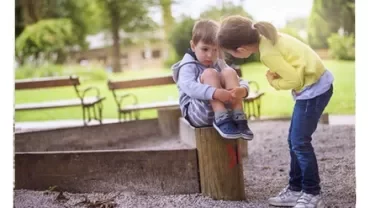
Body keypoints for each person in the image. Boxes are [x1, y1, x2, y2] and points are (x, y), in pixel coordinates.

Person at [217, 15, 334, 208]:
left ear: (242, 50)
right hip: (315, 84)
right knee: (294, 141)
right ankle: (295, 189)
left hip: (314, 90)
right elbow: (294, 65)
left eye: (231, 54)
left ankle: (313, 193)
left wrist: (273, 81)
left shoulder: (267, 54)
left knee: (299, 142)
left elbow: (295, 81)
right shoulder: (268, 37)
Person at [171, 19, 254, 140]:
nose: (210, 55)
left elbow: (239, 80)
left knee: (229, 72)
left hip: (227, 113)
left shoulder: (218, 63)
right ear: (193, 46)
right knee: (210, 74)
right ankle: (221, 118)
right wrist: (214, 93)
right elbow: (189, 87)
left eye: (215, 50)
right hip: (198, 114)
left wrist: (243, 90)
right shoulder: (187, 66)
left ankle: (238, 116)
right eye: (205, 49)